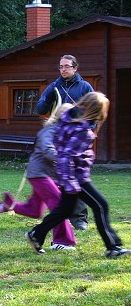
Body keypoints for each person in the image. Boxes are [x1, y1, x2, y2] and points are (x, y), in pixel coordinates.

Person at [25, 92, 130, 258]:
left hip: (67, 176)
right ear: (97, 111)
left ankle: (36, 234)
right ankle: (113, 247)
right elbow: (66, 156)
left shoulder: (67, 120)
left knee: (64, 211)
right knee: (101, 206)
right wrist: (71, 182)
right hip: (76, 178)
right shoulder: (83, 131)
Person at [0, 103, 77, 251]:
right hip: (40, 174)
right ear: (61, 117)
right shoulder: (49, 131)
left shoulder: (65, 132)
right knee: (59, 205)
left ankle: (3, 206)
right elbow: (47, 150)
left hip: (49, 176)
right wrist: (66, 157)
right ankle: (61, 241)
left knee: (35, 210)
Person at [35, 55, 94, 230]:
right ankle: (60, 219)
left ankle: (79, 219)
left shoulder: (85, 87)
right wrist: (48, 98)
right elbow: (40, 109)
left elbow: (93, 112)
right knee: (59, 178)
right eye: (61, 67)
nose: (63, 70)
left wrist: (87, 131)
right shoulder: (54, 86)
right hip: (59, 139)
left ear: (75, 68)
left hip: (77, 139)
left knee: (78, 179)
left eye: (67, 67)